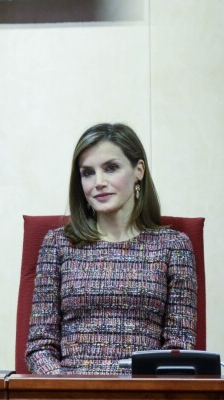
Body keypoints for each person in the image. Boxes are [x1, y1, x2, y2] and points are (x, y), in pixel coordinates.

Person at [26, 123, 197, 375]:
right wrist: (69, 393)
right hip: (69, 399)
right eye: (88, 173)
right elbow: (39, 348)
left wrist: (137, 399)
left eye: (111, 168)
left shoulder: (174, 247)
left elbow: (179, 350)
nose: (99, 182)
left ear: (139, 170)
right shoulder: (58, 244)